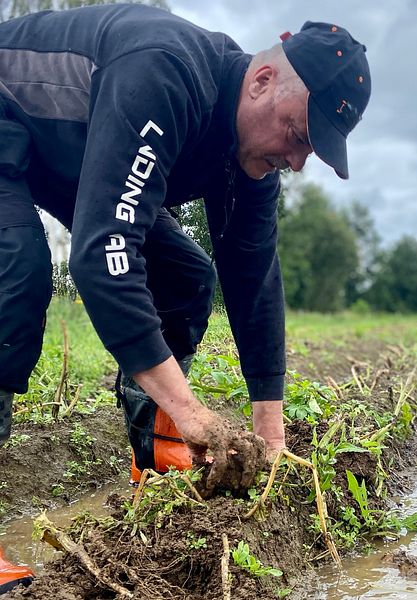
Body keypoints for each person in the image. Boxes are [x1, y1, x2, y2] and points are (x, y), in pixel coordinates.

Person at [0, 3, 370, 509]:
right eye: (298, 135)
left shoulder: (251, 160)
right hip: (11, 117)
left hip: (67, 155)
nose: (298, 162)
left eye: (311, 152)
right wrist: (193, 411)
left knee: (186, 279)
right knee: (15, 270)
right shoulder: (166, 70)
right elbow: (104, 255)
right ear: (262, 81)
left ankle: (155, 457)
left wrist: (271, 431)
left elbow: (254, 281)